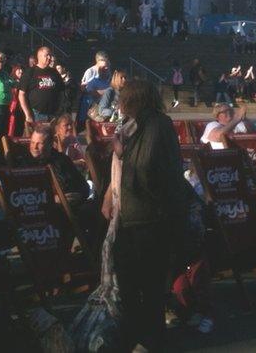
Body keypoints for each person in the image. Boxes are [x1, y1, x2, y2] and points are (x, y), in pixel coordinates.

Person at [103, 79, 189, 351]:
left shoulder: (155, 124)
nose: (120, 102)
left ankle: (148, 339)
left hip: (148, 217)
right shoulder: (138, 124)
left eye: (124, 97)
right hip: (135, 215)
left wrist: (121, 151)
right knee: (132, 284)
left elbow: (145, 166)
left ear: (135, 99)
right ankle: (139, 335)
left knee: (145, 285)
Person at [18, 46, 64, 125]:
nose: (49, 58)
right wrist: (28, 114)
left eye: (50, 55)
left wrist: (60, 109)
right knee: (40, 137)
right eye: (46, 55)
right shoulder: (30, 72)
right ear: (39, 57)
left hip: (54, 114)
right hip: (37, 114)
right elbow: (21, 94)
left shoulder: (54, 72)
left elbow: (61, 91)